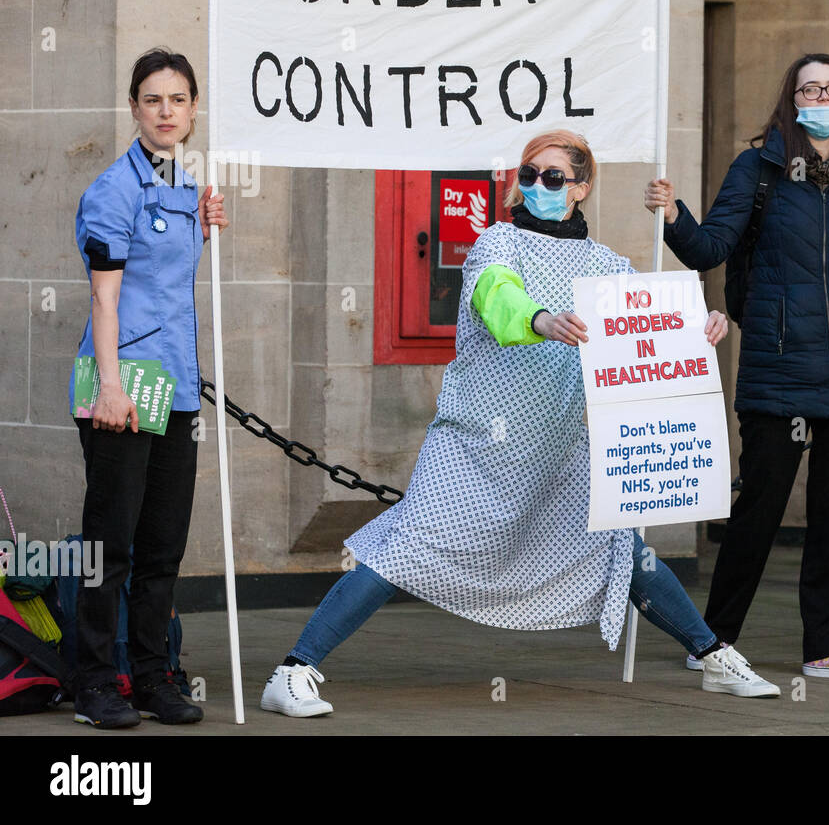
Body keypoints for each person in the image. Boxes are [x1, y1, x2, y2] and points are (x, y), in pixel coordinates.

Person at [261, 130, 780, 717]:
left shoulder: (607, 267)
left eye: (553, 178)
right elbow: (496, 297)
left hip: (560, 448)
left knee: (624, 554)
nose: (536, 186)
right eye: (529, 175)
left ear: (581, 188)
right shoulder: (496, 243)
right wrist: (540, 319)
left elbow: (650, 330)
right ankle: (294, 671)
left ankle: (714, 656)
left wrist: (701, 325)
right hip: (474, 443)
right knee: (402, 551)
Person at [643, 53, 829, 681]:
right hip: (777, 371)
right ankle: (712, 640)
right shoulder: (760, 166)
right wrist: (674, 213)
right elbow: (710, 248)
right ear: (792, 99)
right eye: (810, 87)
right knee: (758, 513)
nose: (823, 96)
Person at [69, 48, 228, 727]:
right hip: (123, 383)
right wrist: (109, 387)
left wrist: (207, 219)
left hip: (178, 388)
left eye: (179, 100)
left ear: (192, 111)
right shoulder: (112, 190)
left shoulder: (190, 186)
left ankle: (153, 676)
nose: (167, 112)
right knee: (112, 545)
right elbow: (105, 300)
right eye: (153, 100)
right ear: (134, 107)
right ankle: (96, 683)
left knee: (163, 546)